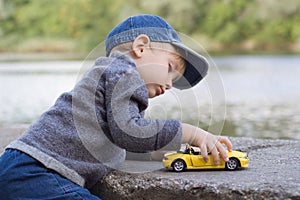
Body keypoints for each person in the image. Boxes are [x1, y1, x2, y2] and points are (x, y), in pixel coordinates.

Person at [0, 14, 232, 199]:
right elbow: (131, 132)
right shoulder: (123, 71)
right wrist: (191, 133)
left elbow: (119, 139)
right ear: (141, 47)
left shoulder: (110, 75)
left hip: (22, 167)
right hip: (35, 171)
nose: (170, 84)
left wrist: (159, 152)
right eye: (170, 67)